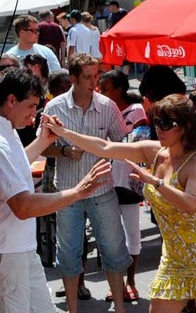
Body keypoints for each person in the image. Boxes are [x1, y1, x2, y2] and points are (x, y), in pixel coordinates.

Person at [46, 92, 196, 312]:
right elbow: (104, 147)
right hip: (176, 253)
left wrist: (156, 183)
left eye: (167, 123)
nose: (159, 128)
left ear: (184, 127)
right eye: (157, 121)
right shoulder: (154, 151)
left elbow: (190, 204)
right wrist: (63, 132)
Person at [0, 68, 113, 312]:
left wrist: (43, 140)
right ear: (11, 101)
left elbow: (17, 166)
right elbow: (24, 206)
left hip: (16, 250)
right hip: (2, 254)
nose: (35, 114)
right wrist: (79, 191)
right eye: (31, 106)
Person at [43, 53, 131, 313]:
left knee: (113, 250)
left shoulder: (107, 106)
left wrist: (107, 151)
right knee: (68, 254)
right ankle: (72, 309)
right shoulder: (54, 107)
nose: (96, 81)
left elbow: (121, 143)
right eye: (89, 77)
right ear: (73, 79)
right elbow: (43, 147)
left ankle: (120, 307)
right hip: (68, 192)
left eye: (97, 75)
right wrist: (64, 151)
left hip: (102, 190)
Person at [99, 69, 148, 302]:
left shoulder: (136, 110)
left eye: (106, 88)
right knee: (112, 235)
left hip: (129, 180)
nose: (101, 93)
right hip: (105, 180)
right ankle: (116, 284)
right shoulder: (103, 110)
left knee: (131, 234)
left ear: (119, 89)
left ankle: (131, 282)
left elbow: (139, 141)